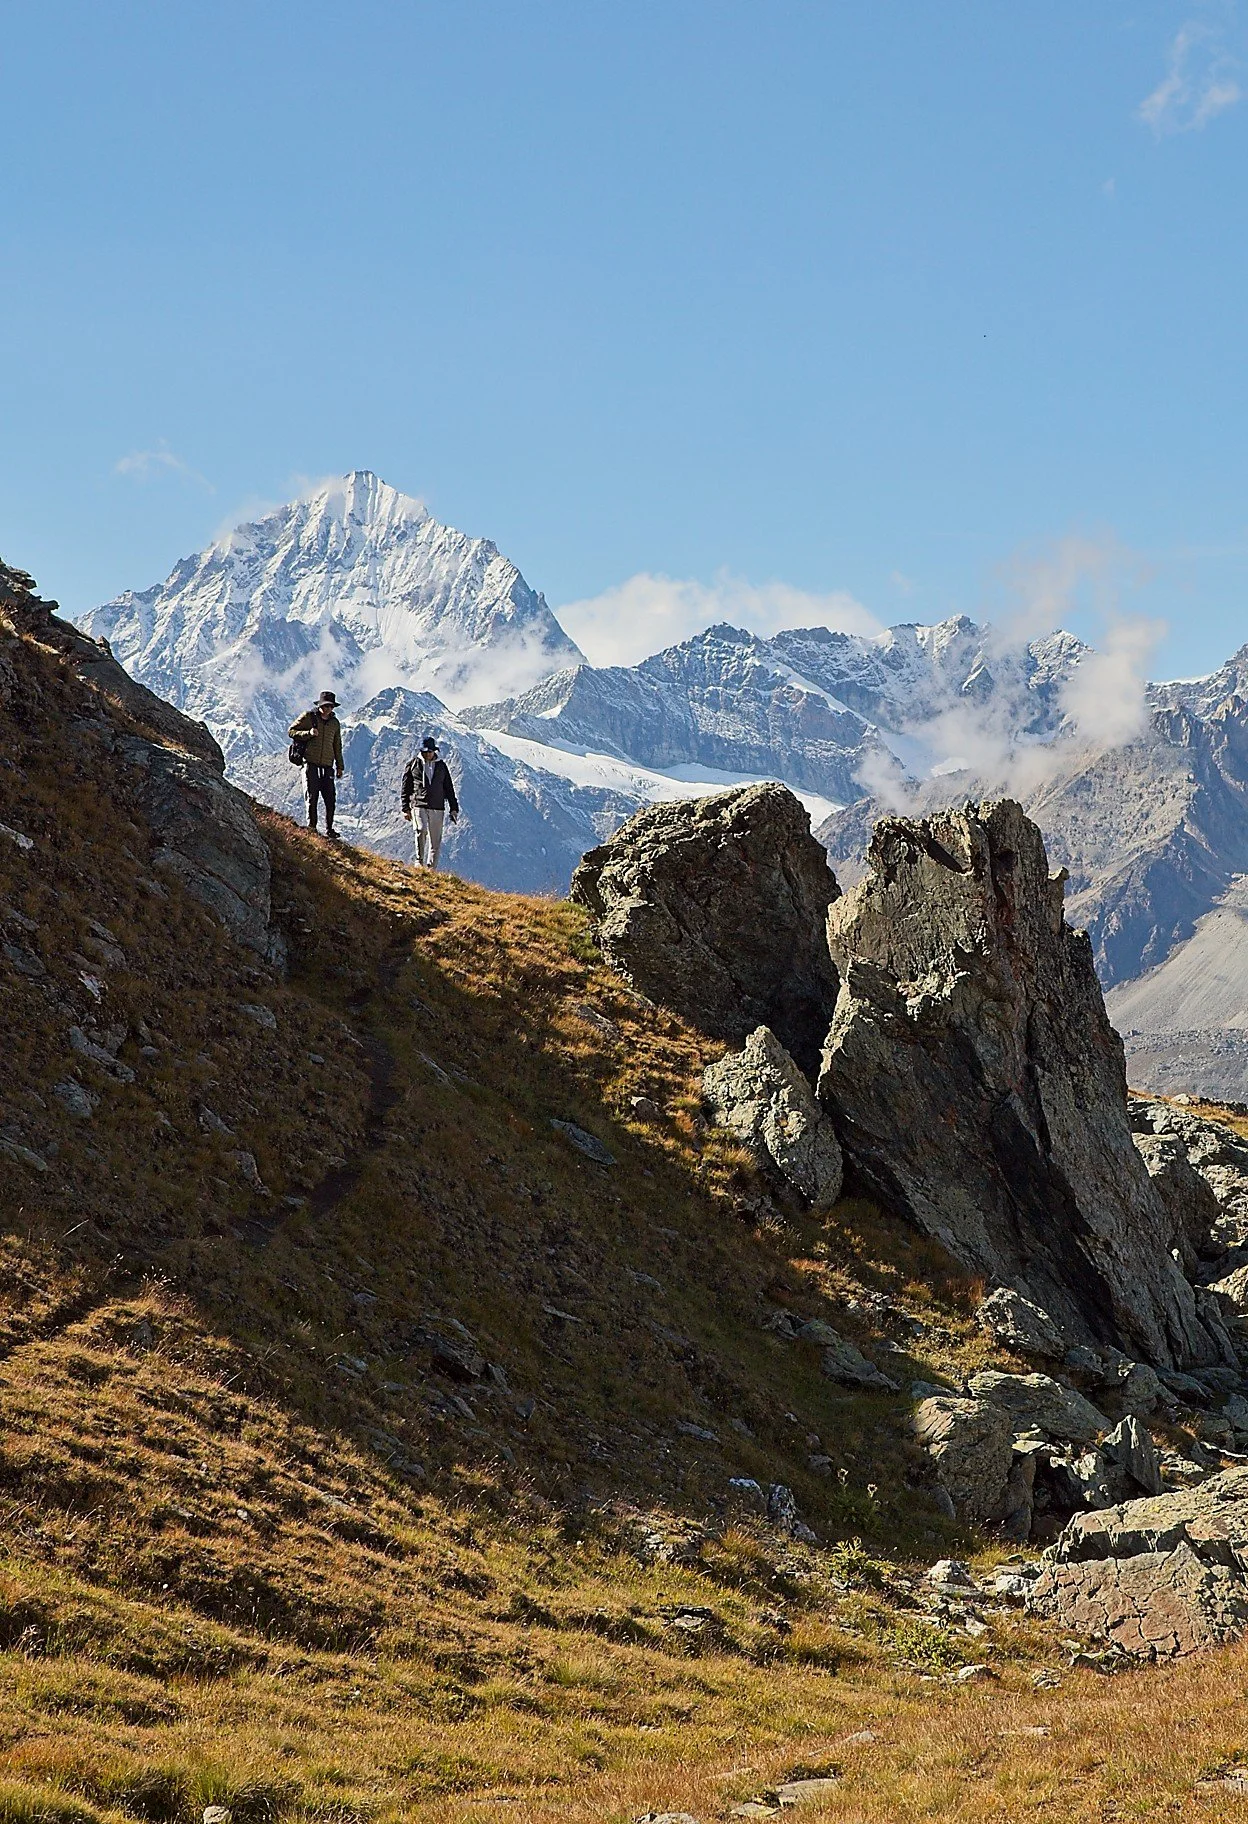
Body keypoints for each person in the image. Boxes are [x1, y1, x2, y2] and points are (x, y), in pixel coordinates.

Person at [288, 691, 345, 836]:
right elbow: (291, 731)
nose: (328, 709)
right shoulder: (308, 717)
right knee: (312, 797)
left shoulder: (335, 723)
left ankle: (329, 829)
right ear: (320, 705)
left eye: (330, 706)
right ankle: (312, 828)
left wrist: (340, 766)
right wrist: (308, 733)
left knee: (330, 798)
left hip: (327, 766)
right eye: (325, 706)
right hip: (310, 763)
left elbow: (337, 745)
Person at [401, 734, 459, 868]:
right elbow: (405, 787)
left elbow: (449, 788)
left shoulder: (441, 766)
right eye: (425, 752)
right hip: (418, 804)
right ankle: (419, 861)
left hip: (438, 806)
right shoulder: (413, 764)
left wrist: (454, 808)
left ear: (434, 751)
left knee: (435, 840)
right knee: (420, 830)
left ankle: (431, 868)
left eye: (430, 752)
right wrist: (405, 808)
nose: (427, 754)